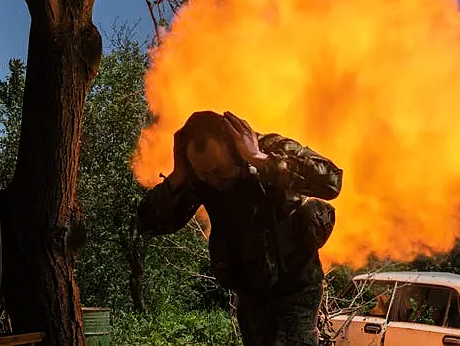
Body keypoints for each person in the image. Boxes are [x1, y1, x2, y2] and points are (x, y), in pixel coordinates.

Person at [135, 110, 343, 346]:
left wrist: (260, 160)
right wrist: (178, 176)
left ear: (235, 149)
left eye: (220, 171)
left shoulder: (267, 150)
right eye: (205, 174)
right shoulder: (198, 175)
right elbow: (148, 222)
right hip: (252, 293)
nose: (214, 180)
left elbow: (332, 181)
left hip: (296, 288)